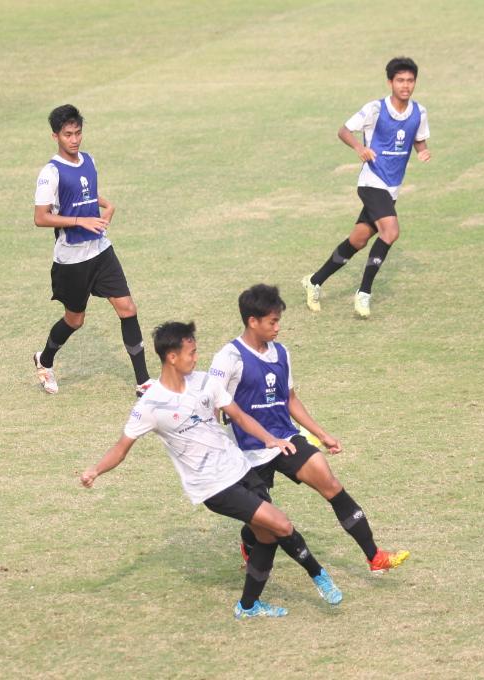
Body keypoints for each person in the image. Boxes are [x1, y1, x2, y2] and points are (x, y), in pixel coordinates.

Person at [80, 321, 342, 619]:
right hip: (212, 485)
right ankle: (319, 576)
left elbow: (239, 417)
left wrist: (271, 439)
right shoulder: (151, 405)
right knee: (281, 524)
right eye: (191, 353)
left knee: (267, 536)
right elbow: (121, 448)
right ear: (172, 357)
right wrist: (95, 470)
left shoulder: (206, 382)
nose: (196, 358)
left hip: (240, 468)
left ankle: (248, 606)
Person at [209, 284, 409, 573]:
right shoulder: (229, 358)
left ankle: (375, 556)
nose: (278, 328)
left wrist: (323, 433)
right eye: (272, 322)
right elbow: (212, 403)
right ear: (252, 321)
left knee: (329, 480)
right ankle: (248, 545)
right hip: (247, 451)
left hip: (286, 438)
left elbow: (289, 399)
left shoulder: (281, 353)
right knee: (264, 524)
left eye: (279, 321)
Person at [32, 104, 152, 396]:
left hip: (100, 251)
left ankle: (143, 382)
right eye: (67, 135)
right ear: (55, 136)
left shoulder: (89, 160)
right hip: (71, 260)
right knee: (75, 320)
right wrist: (79, 220)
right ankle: (44, 360)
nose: (74, 140)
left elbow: (86, 193)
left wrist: (107, 205)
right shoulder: (50, 173)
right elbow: (41, 216)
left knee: (128, 309)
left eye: (78, 133)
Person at [301, 56, 431, 318]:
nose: (405, 85)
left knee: (358, 240)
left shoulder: (419, 112)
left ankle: (314, 281)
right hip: (372, 182)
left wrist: (423, 150)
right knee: (391, 231)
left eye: (410, 80)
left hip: (391, 188)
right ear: (390, 82)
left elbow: (418, 138)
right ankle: (364, 293)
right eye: (400, 80)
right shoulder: (375, 109)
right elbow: (344, 130)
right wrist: (359, 148)